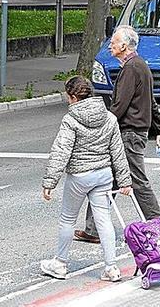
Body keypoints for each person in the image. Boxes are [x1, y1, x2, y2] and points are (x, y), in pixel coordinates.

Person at [75, 25, 160, 244]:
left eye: (114, 42)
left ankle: (158, 225)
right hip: (135, 132)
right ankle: (94, 228)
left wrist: (99, 129)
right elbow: (151, 102)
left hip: (129, 133)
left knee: (135, 180)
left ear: (124, 46)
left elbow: (119, 106)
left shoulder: (131, 69)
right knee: (109, 180)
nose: (111, 46)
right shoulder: (140, 65)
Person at [40, 76, 132, 281]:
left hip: (79, 176)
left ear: (73, 97)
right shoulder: (109, 117)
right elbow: (117, 151)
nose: (67, 101)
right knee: (104, 220)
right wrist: (125, 180)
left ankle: (60, 264)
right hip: (103, 175)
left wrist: (50, 181)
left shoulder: (71, 120)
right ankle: (111, 268)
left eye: (68, 97)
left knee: (67, 219)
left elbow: (61, 151)